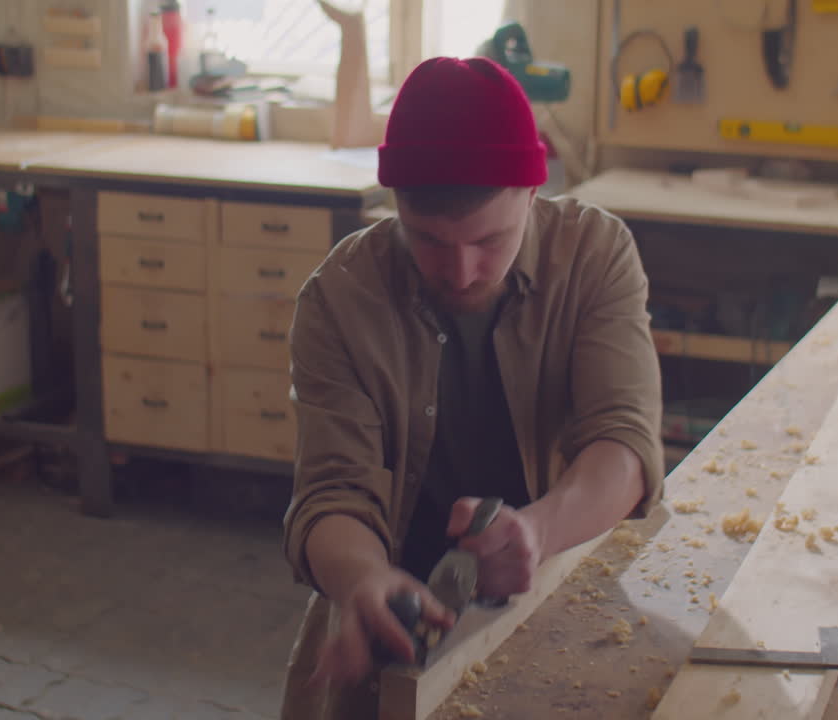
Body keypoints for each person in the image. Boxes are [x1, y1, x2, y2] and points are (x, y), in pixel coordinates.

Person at [279, 56, 664, 719]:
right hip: (386, 609)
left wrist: (537, 532)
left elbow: (623, 445)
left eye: (489, 240)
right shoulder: (339, 299)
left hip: (555, 571)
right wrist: (364, 579)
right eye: (427, 240)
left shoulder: (596, 256)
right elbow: (332, 492)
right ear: (392, 203)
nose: (460, 271)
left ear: (534, 194)